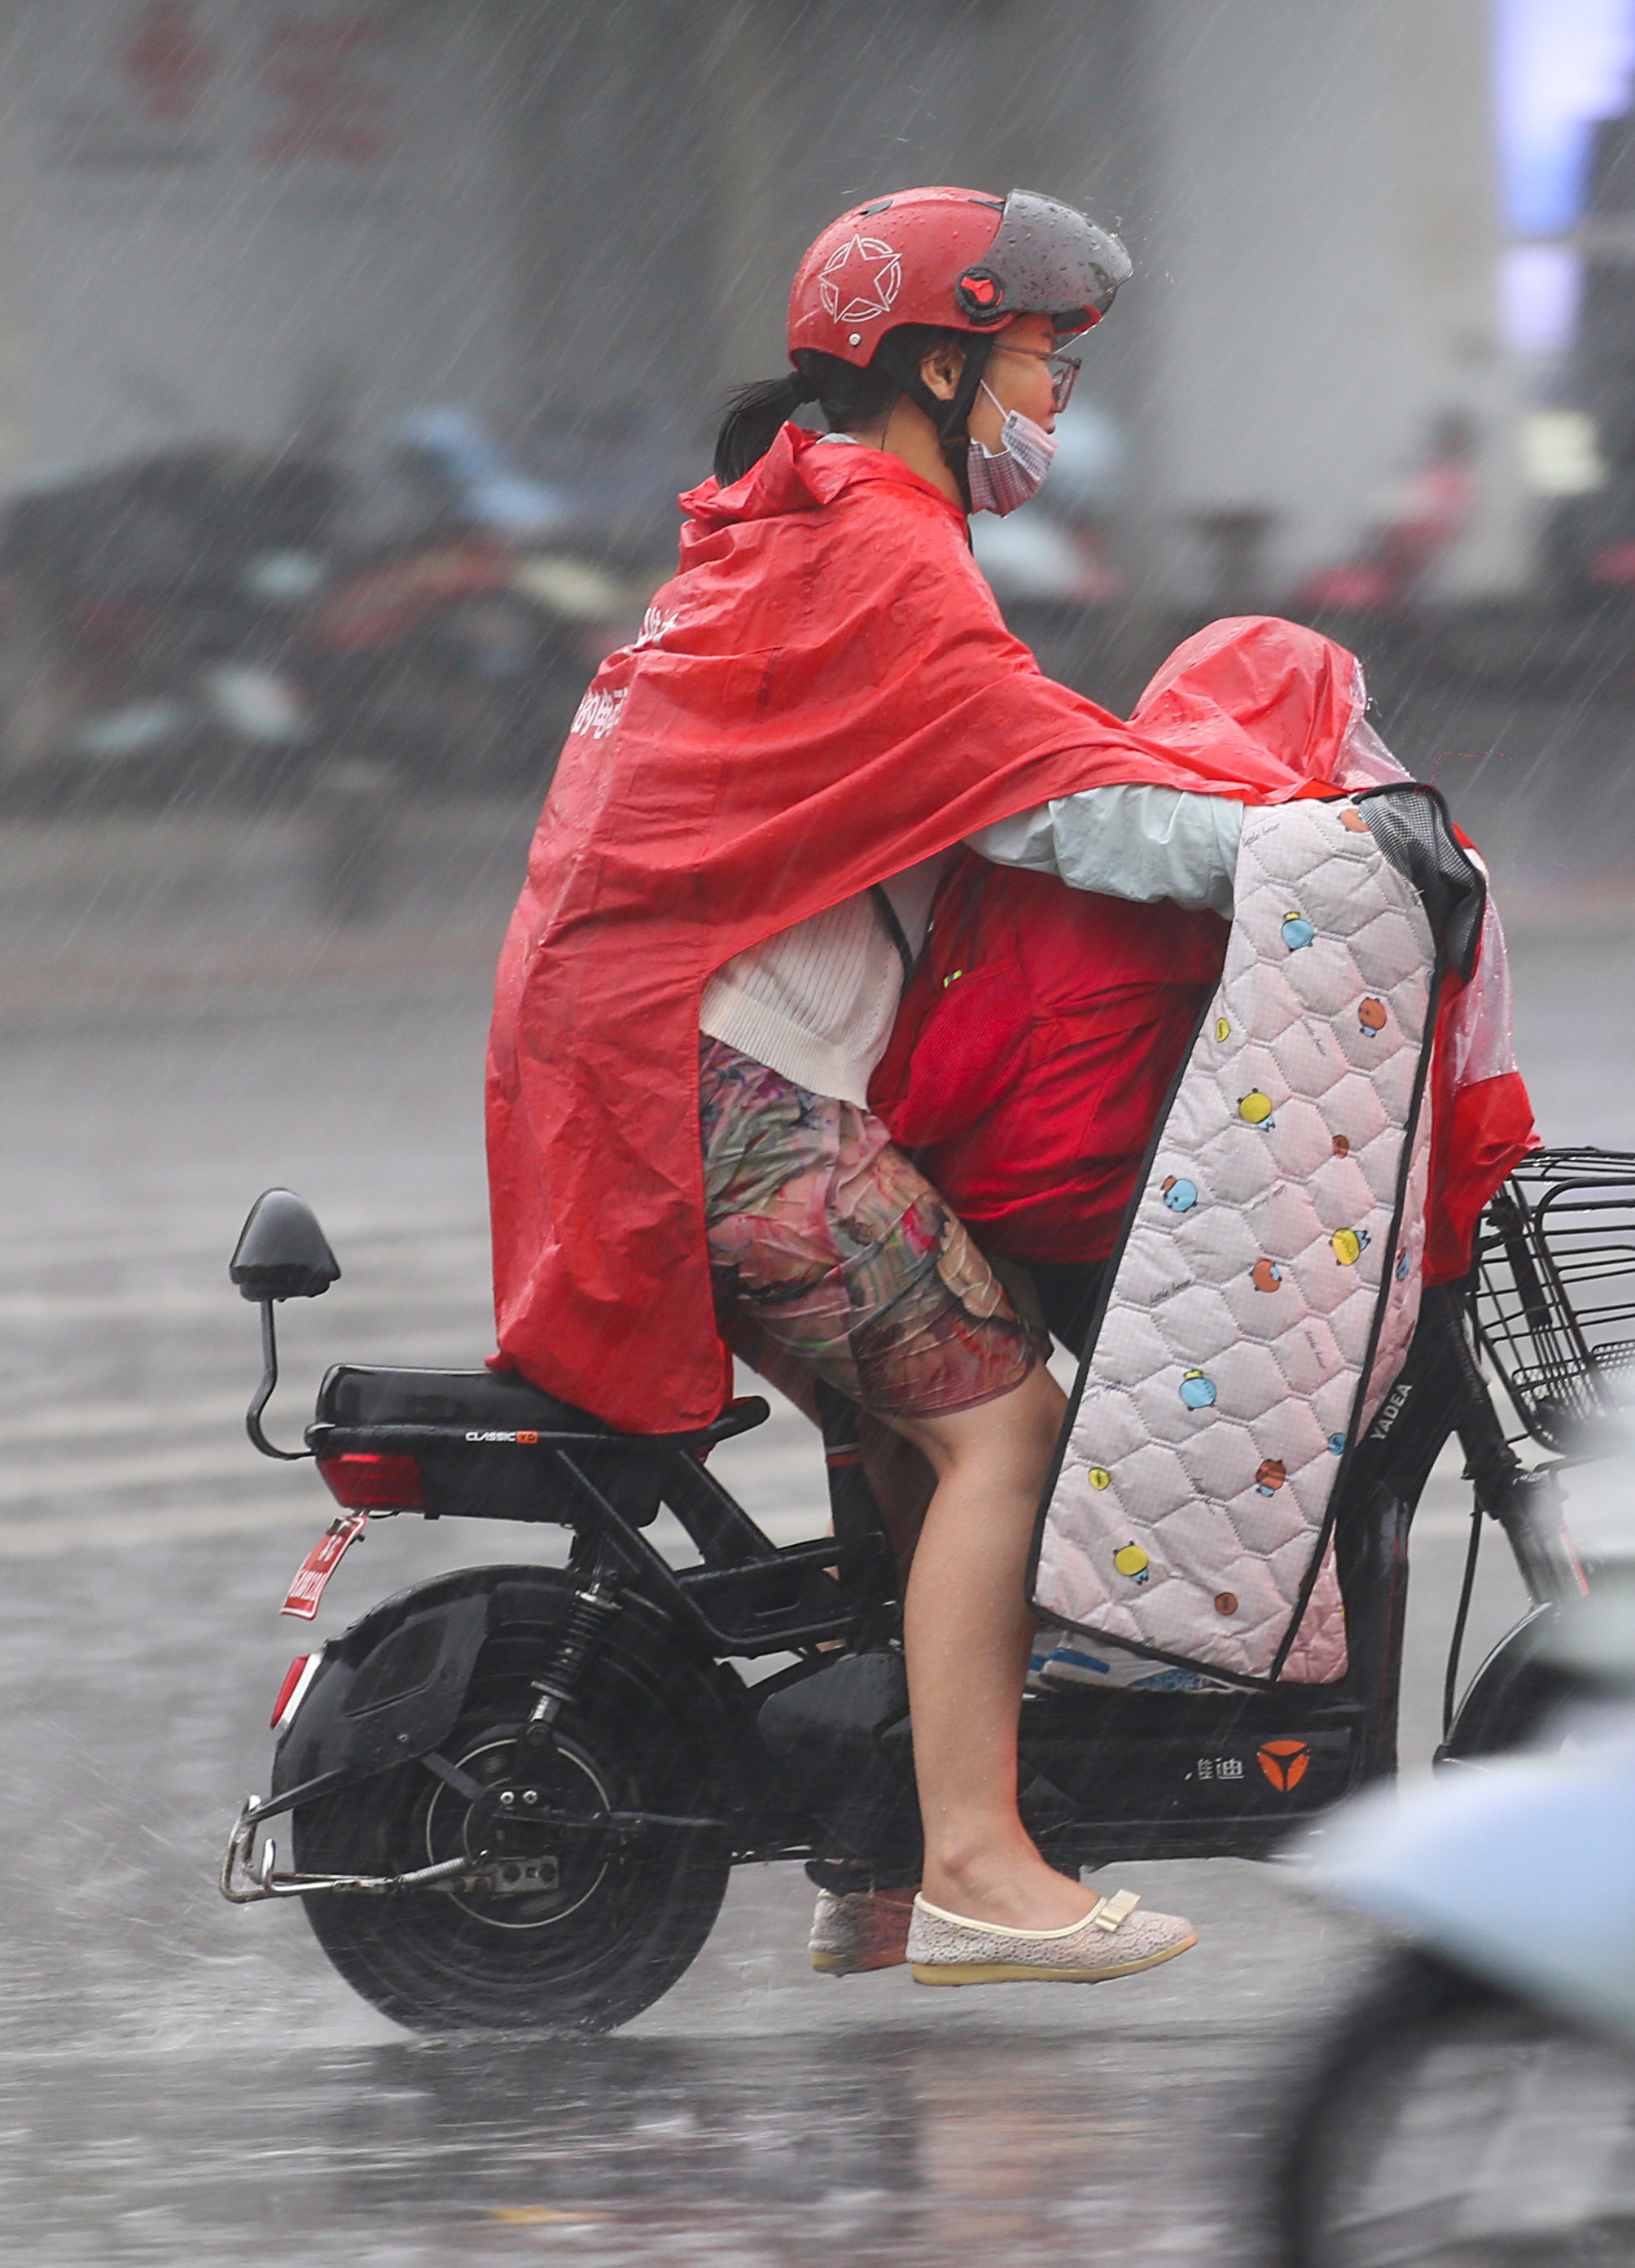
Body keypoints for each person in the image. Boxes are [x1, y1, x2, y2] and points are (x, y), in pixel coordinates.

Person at [488, 186, 1357, 1989]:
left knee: (915, 1433)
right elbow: (1058, 803)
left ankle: (874, 1855)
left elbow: (1007, 761)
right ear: (943, 362)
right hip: (718, 1084)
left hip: (650, 1062)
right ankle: (978, 1861)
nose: (1055, 391)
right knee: (1005, 1429)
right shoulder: (878, 542)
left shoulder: (796, 522)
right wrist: (1308, 856)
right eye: (1040, 351)